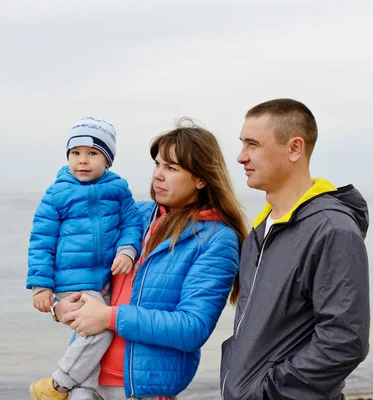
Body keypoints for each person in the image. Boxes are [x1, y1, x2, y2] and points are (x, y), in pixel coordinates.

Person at [38, 119, 248, 400]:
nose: (158, 175)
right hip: (85, 380)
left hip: (138, 391)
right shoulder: (135, 215)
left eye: (171, 168)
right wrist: (59, 309)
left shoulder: (217, 239)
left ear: (201, 178)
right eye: (158, 164)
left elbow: (192, 328)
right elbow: (81, 265)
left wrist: (109, 317)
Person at [220, 98, 370, 400]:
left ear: (294, 148)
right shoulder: (260, 233)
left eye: (253, 145)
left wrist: (268, 392)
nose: (240, 157)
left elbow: (344, 340)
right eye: (242, 144)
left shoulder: (332, 229)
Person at [27, 117, 143, 400]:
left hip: (105, 281)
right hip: (73, 282)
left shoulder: (118, 190)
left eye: (93, 154)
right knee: (99, 332)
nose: (82, 160)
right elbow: (41, 242)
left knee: (89, 337)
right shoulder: (57, 194)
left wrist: (127, 249)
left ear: (108, 160)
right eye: (75, 153)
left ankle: (83, 393)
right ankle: (58, 385)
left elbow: (132, 224)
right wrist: (41, 286)